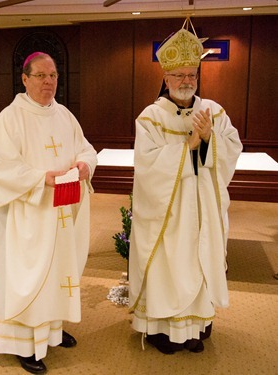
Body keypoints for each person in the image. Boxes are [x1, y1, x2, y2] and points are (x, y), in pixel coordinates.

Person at [0, 52, 97, 374]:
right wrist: (41, 178)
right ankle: (24, 345)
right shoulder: (11, 118)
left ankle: (51, 330)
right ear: (25, 79)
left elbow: (86, 148)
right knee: (28, 278)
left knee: (57, 273)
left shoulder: (64, 115)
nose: (48, 82)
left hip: (61, 212)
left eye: (52, 75)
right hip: (26, 217)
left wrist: (83, 164)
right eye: (40, 76)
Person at [128, 18, 243, 354]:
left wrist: (209, 139)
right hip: (169, 210)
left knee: (199, 262)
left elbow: (232, 147)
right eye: (178, 75)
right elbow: (146, 165)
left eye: (191, 75)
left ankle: (195, 329)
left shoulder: (213, 111)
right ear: (165, 78)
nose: (186, 81)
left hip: (204, 208)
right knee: (169, 266)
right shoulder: (151, 116)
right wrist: (186, 146)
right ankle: (164, 332)